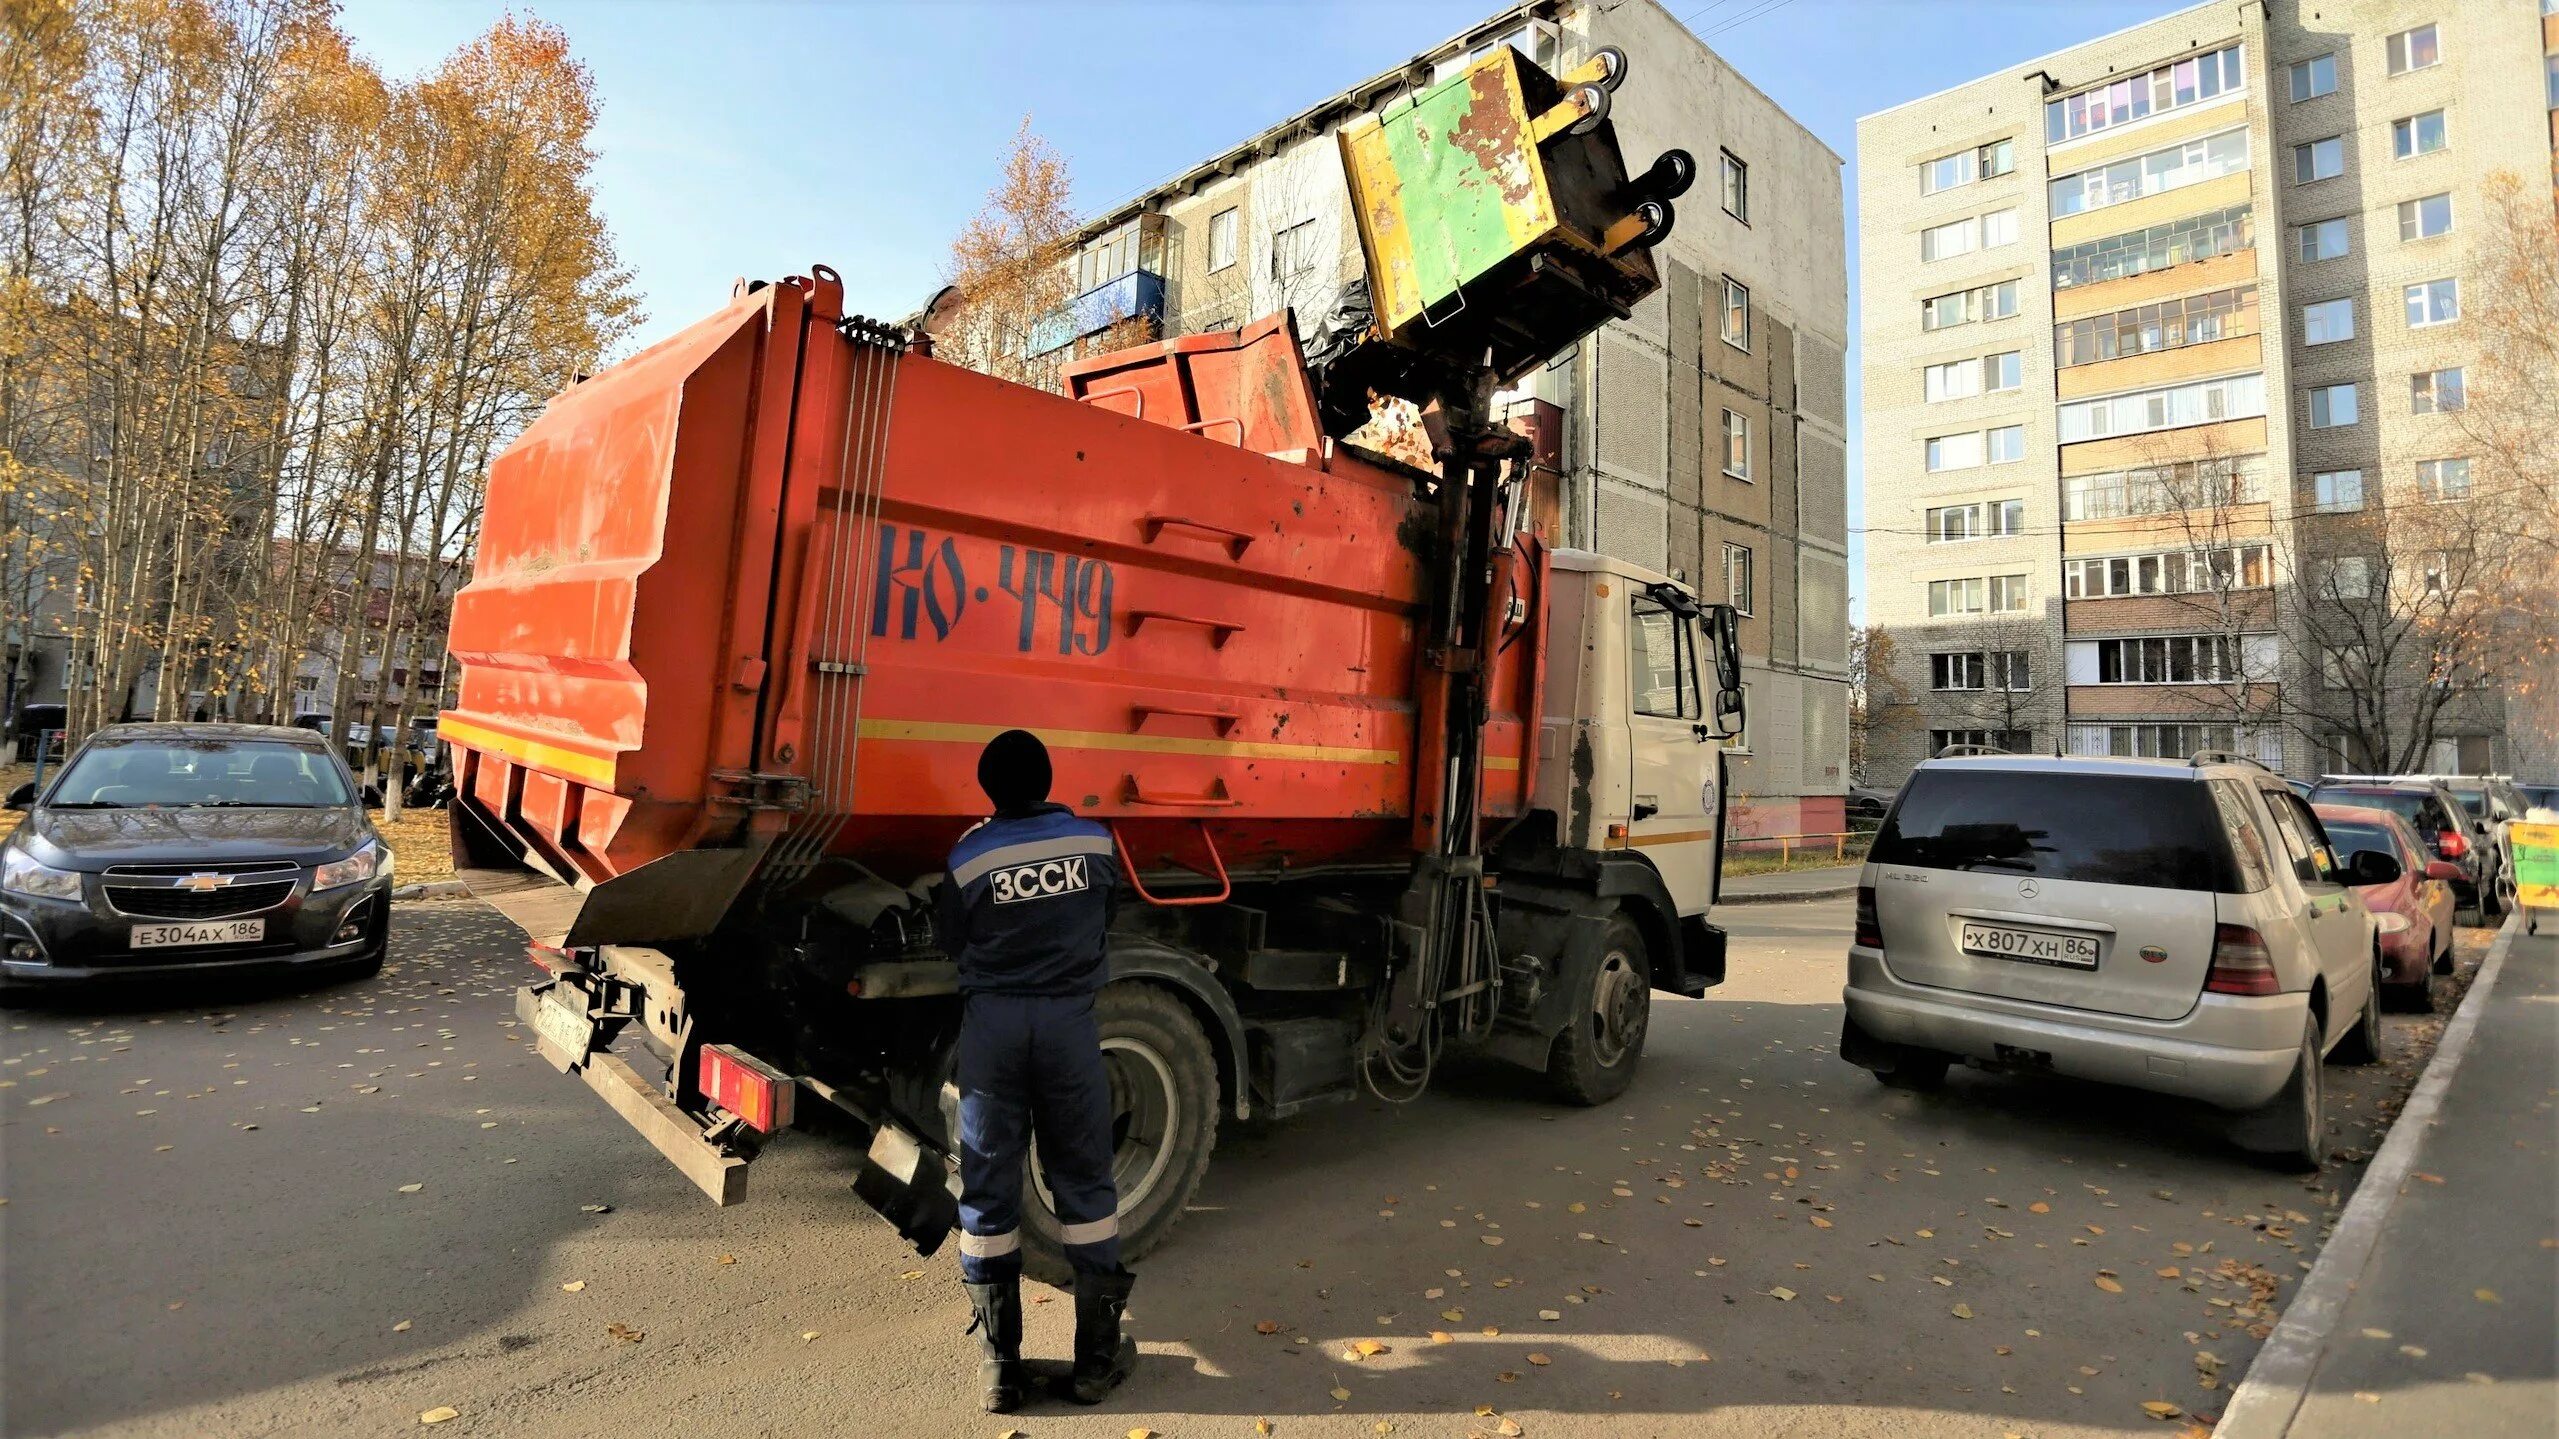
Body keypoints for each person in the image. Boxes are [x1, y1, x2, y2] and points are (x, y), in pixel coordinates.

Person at [936, 729, 1136, 1413]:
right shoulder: (1096, 843)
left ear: (988, 787)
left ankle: (1001, 1369)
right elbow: (1106, 916)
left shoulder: (968, 857)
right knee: (1082, 1178)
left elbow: (950, 940)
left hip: (992, 1030)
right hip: (1068, 1027)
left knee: (988, 1191)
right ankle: (1093, 1363)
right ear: (1048, 779)